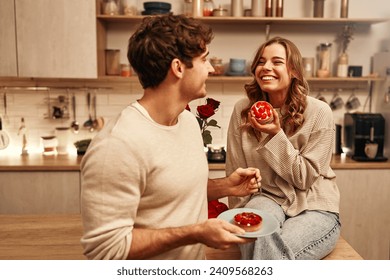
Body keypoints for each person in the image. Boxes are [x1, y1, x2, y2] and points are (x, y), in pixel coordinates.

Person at [80, 14, 261, 260]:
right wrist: (195, 233)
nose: (210, 68)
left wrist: (226, 185)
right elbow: (106, 250)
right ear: (178, 68)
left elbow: (171, 191)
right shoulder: (118, 145)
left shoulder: (186, 121)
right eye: (204, 60)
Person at [226, 36, 341, 260]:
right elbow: (236, 174)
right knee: (256, 234)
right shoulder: (242, 110)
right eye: (261, 61)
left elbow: (303, 178)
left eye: (277, 62)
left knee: (270, 256)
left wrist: (274, 135)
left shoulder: (319, 112)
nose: (266, 67)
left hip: (314, 205)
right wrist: (240, 224)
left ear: (294, 71)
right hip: (265, 198)